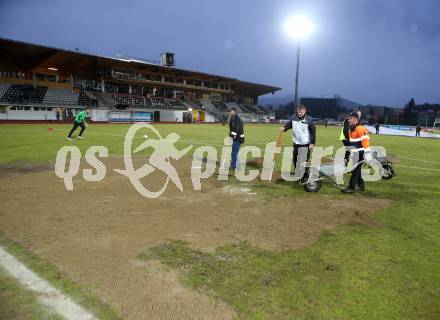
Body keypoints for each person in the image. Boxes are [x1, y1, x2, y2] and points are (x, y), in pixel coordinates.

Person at [281, 104, 316, 182]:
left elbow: (313, 132)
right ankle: (297, 173)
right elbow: (289, 125)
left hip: (305, 144)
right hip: (296, 143)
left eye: (301, 112)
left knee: (304, 161)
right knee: (296, 159)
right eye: (298, 112)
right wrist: (284, 128)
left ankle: (305, 176)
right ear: (297, 111)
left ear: (305, 111)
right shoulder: (293, 118)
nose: (300, 113)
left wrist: (312, 142)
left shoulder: (309, 120)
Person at [341, 112, 371, 193]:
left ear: (355, 119)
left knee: (355, 170)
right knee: (357, 170)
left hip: (361, 153)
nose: (349, 120)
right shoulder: (352, 128)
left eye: (350, 118)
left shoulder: (360, 128)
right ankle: (361, 186)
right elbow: (353, 143)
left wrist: (367, 153)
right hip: (356, 153)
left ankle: (351, 187)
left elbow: (365, 141)